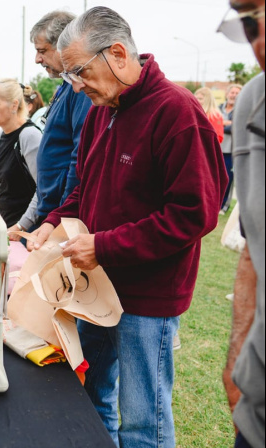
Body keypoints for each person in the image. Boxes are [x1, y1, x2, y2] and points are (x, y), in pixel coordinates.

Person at [28, 7, 226, 447]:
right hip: (97, 287)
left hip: (147, 298)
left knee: (142, 421)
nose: (76, 85)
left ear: (117, 54)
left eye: (80, 71)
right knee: (88, 395)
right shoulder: (102, 109)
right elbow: (84, 186)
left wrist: (104, 247)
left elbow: (194, 215)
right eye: (69, 76)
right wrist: (54, 221)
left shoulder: (177, 112)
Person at [218, 1, 265, 447]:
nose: (259, 41)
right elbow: (255, 246)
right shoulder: (255, 101)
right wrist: (239, 358)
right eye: (248, 23)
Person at [30, 11, 93, 230]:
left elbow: (80, 155)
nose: (37, 59)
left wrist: (64, 214)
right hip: (54, 211)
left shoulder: (80, 89)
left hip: (63, 215)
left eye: (42, 51)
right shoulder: (66, 86)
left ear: (63, 45)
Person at [0, 79, 42, 232]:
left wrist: (21, 226)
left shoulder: (29, 135)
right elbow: (8, 189)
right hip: (7, 227)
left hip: (27, 231)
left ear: (14, 105)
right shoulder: (2, 135)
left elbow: (43, 189)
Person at [219, 83, 243, 213]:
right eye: (232, 92)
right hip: (217, 149)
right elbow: (210, 123)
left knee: (228, 179)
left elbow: (236, 127)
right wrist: (225, 123)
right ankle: (215, 204)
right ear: (227, 94)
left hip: (231, 151)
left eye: (237, 93)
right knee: (216, 178)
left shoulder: (241, 110)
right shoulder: (219, 108)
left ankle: (224, 206)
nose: (234, 95)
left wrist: (220, 124)